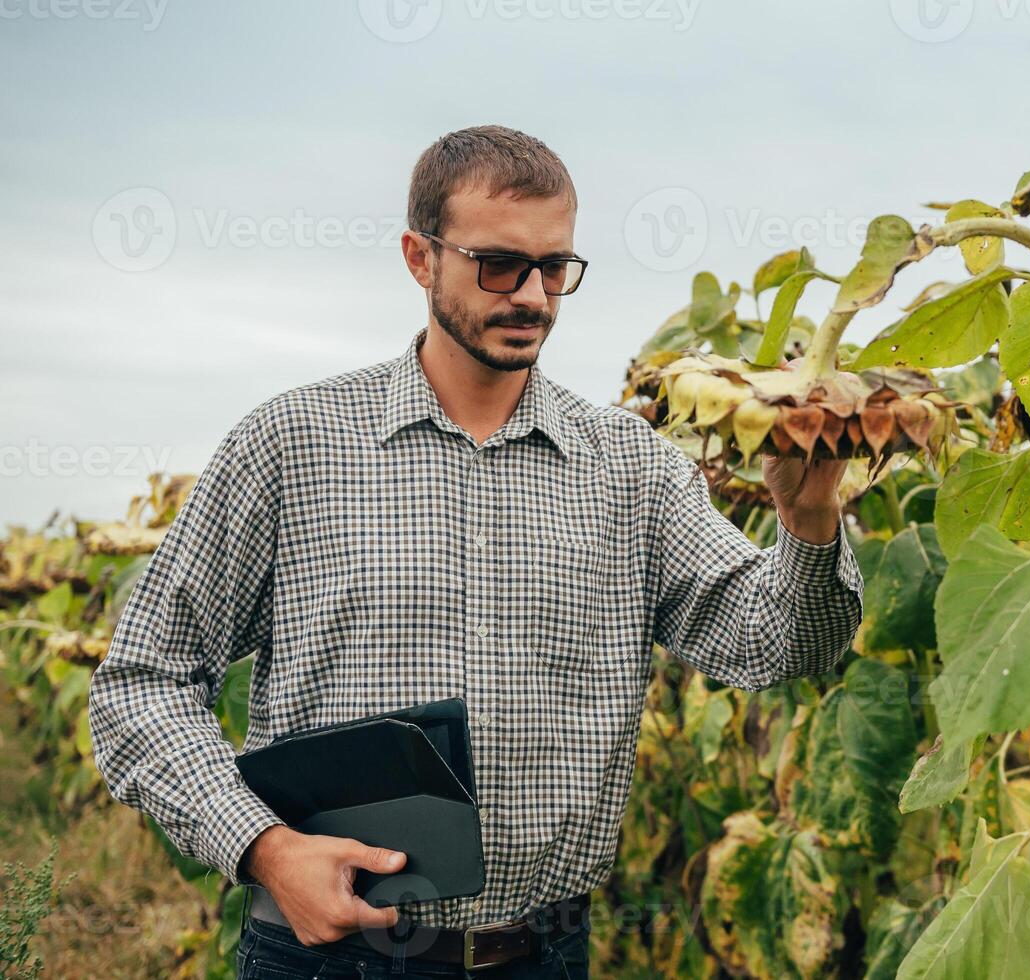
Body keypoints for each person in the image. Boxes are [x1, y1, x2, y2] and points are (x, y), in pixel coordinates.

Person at [87, 124, 865, 978]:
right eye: (498, 264)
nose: (531, 294)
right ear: (420, 259)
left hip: (539, 953)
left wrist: (808, 522)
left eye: (554, 267)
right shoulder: (293, 443)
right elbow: (142, 682)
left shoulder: (630, 466)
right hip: (330, 952)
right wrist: (265, 849)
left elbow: (779, 643)